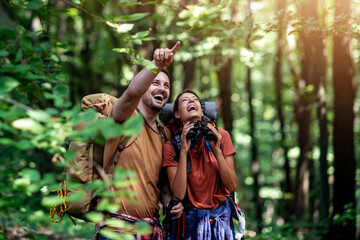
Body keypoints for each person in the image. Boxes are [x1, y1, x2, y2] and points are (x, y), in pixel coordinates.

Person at [95, 42, 184, 240]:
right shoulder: (123, 116)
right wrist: (156, 65)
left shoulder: (165, 135)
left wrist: (171, 202)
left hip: (150, 231)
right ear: (144, 86)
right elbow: (131, 93)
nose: (162, 88)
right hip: (115, 231)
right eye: (155, 82)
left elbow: (162, 186)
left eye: (167, 85)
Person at [162, 89, 237, 240]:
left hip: (219, 220)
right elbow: (178, 193)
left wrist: (216, 150)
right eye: (185, 100)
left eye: (195, 99)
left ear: (202, 110)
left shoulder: (221, 136)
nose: (191, 101)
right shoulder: (171, 147)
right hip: (190, 222)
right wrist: (183, 151)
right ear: (177, 114)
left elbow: (232, 186)